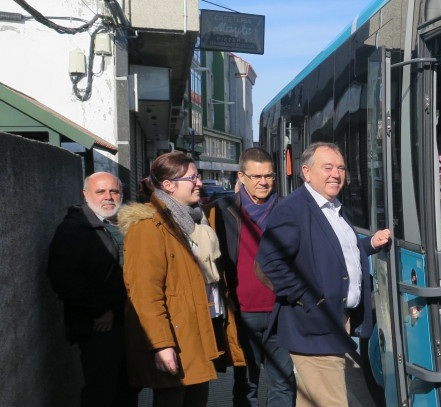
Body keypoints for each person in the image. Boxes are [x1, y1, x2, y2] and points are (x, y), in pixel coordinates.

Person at [256, 142, 392, 407]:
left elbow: (336, 254)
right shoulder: (293, 209)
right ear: (306, 172)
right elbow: (269, 263)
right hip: (314, 326)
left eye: (341, 168)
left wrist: (370, 245)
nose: (336, 174)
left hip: (333, 321)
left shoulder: (333, 207)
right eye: (327, 167)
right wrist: (310, 299)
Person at [117, 152, 245, 407]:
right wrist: (162, 346)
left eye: (198, 176)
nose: (199, 182)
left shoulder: (195, 219)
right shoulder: (148, 227)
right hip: (175, 341)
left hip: (199, 333)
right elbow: (144, 295)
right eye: (193, 177)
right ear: (168, 185)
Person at [205, 148, 296, 407]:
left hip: (282, 311)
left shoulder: (288, 210)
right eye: (256, 176)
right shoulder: (220, 211)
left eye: (268, 176)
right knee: (246, 386)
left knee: (284, 383)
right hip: (241, 315)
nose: (263, 182)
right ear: (241, 176)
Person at [47, 171, 138, 407]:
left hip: (132, 322)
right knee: (101, 391)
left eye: (114, 191)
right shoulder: (74, 229)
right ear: (86, 194)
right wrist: (99, 310)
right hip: (99, 326)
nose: (108, 197)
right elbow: (62, 277)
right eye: (101, 192)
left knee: (129, 388)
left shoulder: (130, 223)